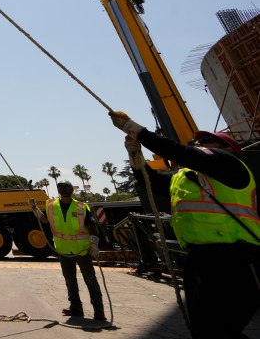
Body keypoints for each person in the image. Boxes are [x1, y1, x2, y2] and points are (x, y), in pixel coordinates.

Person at [110, 111, 260, 338]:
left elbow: (183, 153)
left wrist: (135, 129)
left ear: (230, 149)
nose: (199, 144)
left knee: (219, 330)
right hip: (199, 260)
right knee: (206, 330)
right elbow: (149, 182)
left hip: (234, 257)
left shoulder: (229, 164)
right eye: (196, 142)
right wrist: (135, 157)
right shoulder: (187, 178)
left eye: (206, 142)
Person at [32, 179, 106, 321]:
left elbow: (92, 228)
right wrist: (34, 209)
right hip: (64, 250)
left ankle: (99, 312)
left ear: (72, 190)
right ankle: (76, 308)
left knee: (90, 280)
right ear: (59, 190)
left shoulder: (81, 207)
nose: (64, 190)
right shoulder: (52, 206)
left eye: (67, 187)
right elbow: (44, 220)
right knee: (70, 280)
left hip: (82, 250)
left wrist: (94, 244)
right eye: (62, 187)